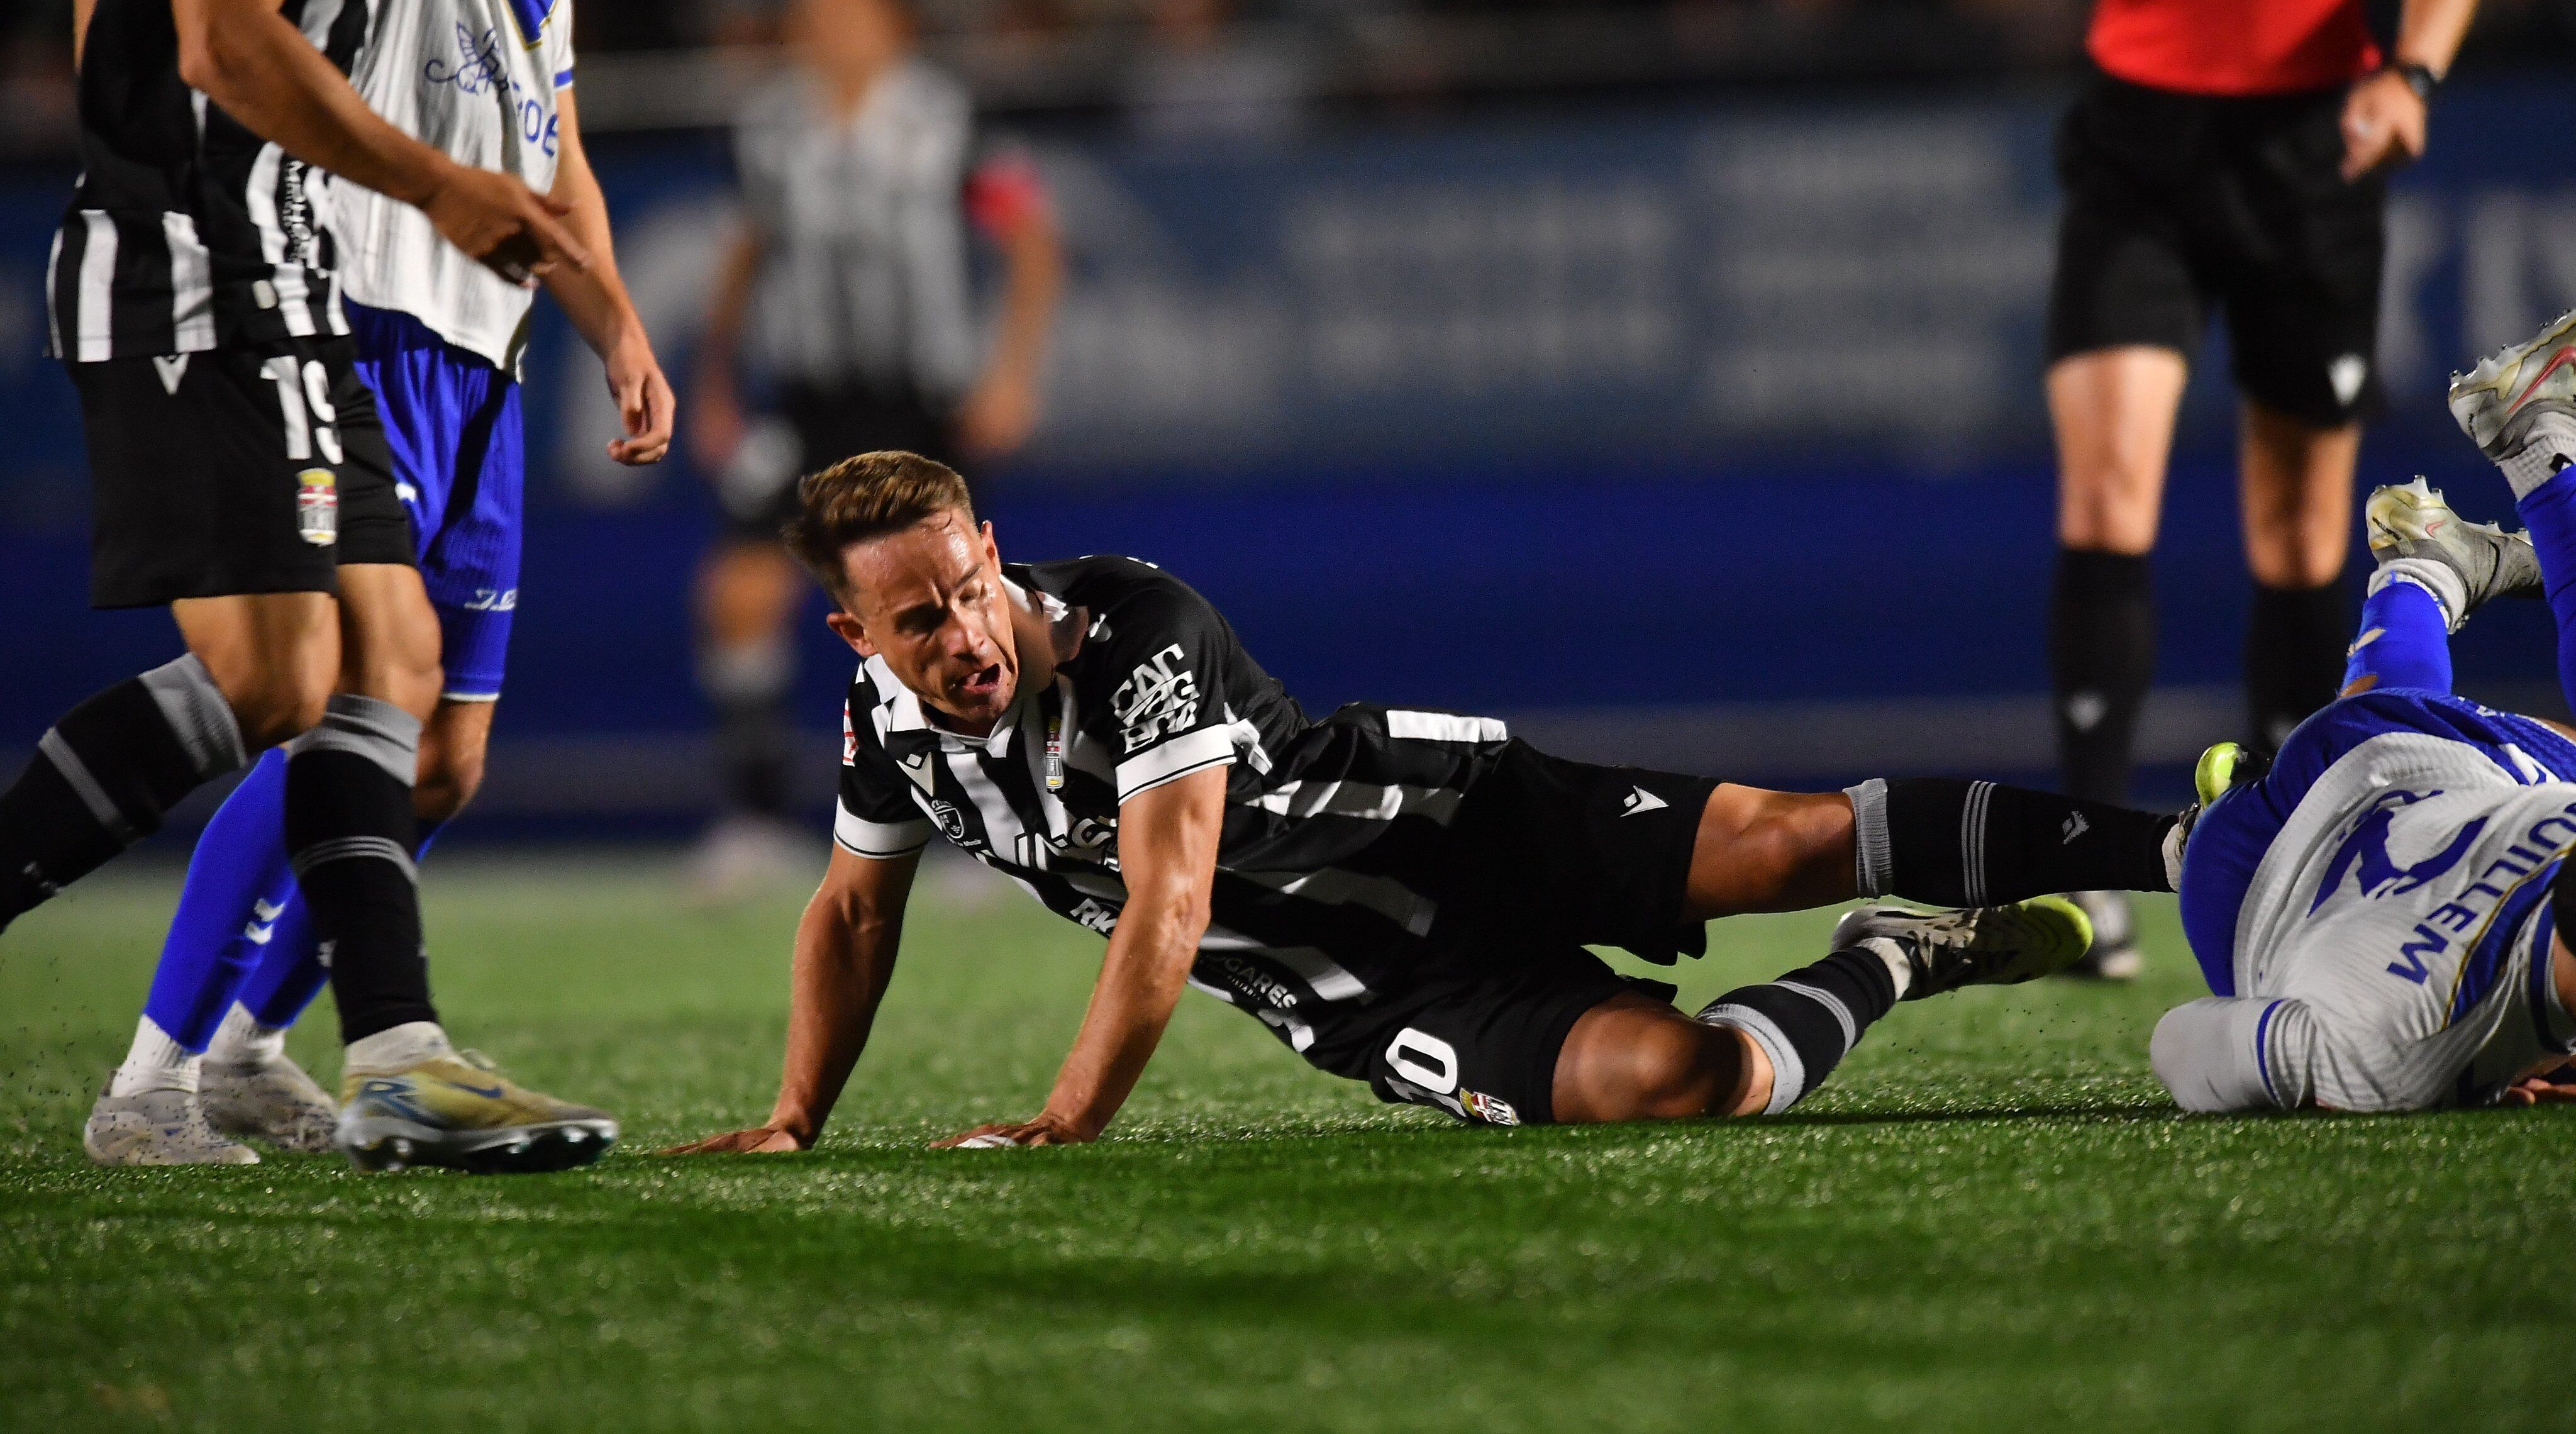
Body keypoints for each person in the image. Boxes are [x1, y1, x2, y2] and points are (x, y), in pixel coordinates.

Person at [667, 452, 2190, 1152]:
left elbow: (1171, 900)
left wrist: (1069, 1122)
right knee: (1679, 1089)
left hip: (1455, 817)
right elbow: (853, 907)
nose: (963, 635)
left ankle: (2183, 847)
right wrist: (797, 1120)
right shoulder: (891, 733)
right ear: (854, 641)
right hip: (1370, 986)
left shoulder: (1134, 623)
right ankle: (1899, 955)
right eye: (917, 622)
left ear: (994, 551)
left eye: (969, 589)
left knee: (1792, 836)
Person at [3, 0, 616, 1175]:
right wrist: (199, 187)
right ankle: (355, 1054)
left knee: (357, 672)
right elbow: (182, 20)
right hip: (207, 278)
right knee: (335, 670)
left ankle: (349, 1055)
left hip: (281, 275)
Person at [1976, 0, 2486, 977]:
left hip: (2307, 156)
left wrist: (2409, 76)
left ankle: (2281, 854)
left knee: (2298, 534)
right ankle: (2089, 876)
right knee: (2103, 490)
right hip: (2137, 155)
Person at [688, 0, 1062, 893]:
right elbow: (744, 251)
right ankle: (756, 812)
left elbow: (1031, 240)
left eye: (849, 8)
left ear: (892, 20)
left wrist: (1011, 373)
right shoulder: (769, 127)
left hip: (914, 401)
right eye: (811, 11)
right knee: (739, 589)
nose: (829, 29)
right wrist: (717, 379)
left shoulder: (949, 116)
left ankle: (988, 824)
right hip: (807, 402)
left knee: (954, 608)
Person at [2153, 308, 2576, 1112]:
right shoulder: (2414, 1036)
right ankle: (2420, 576)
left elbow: (2177, 1044)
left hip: (2252, 887)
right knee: (2406, 750)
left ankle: (2536, 454)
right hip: (2354, 787)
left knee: (2411, 751)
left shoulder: (2396, 1045)